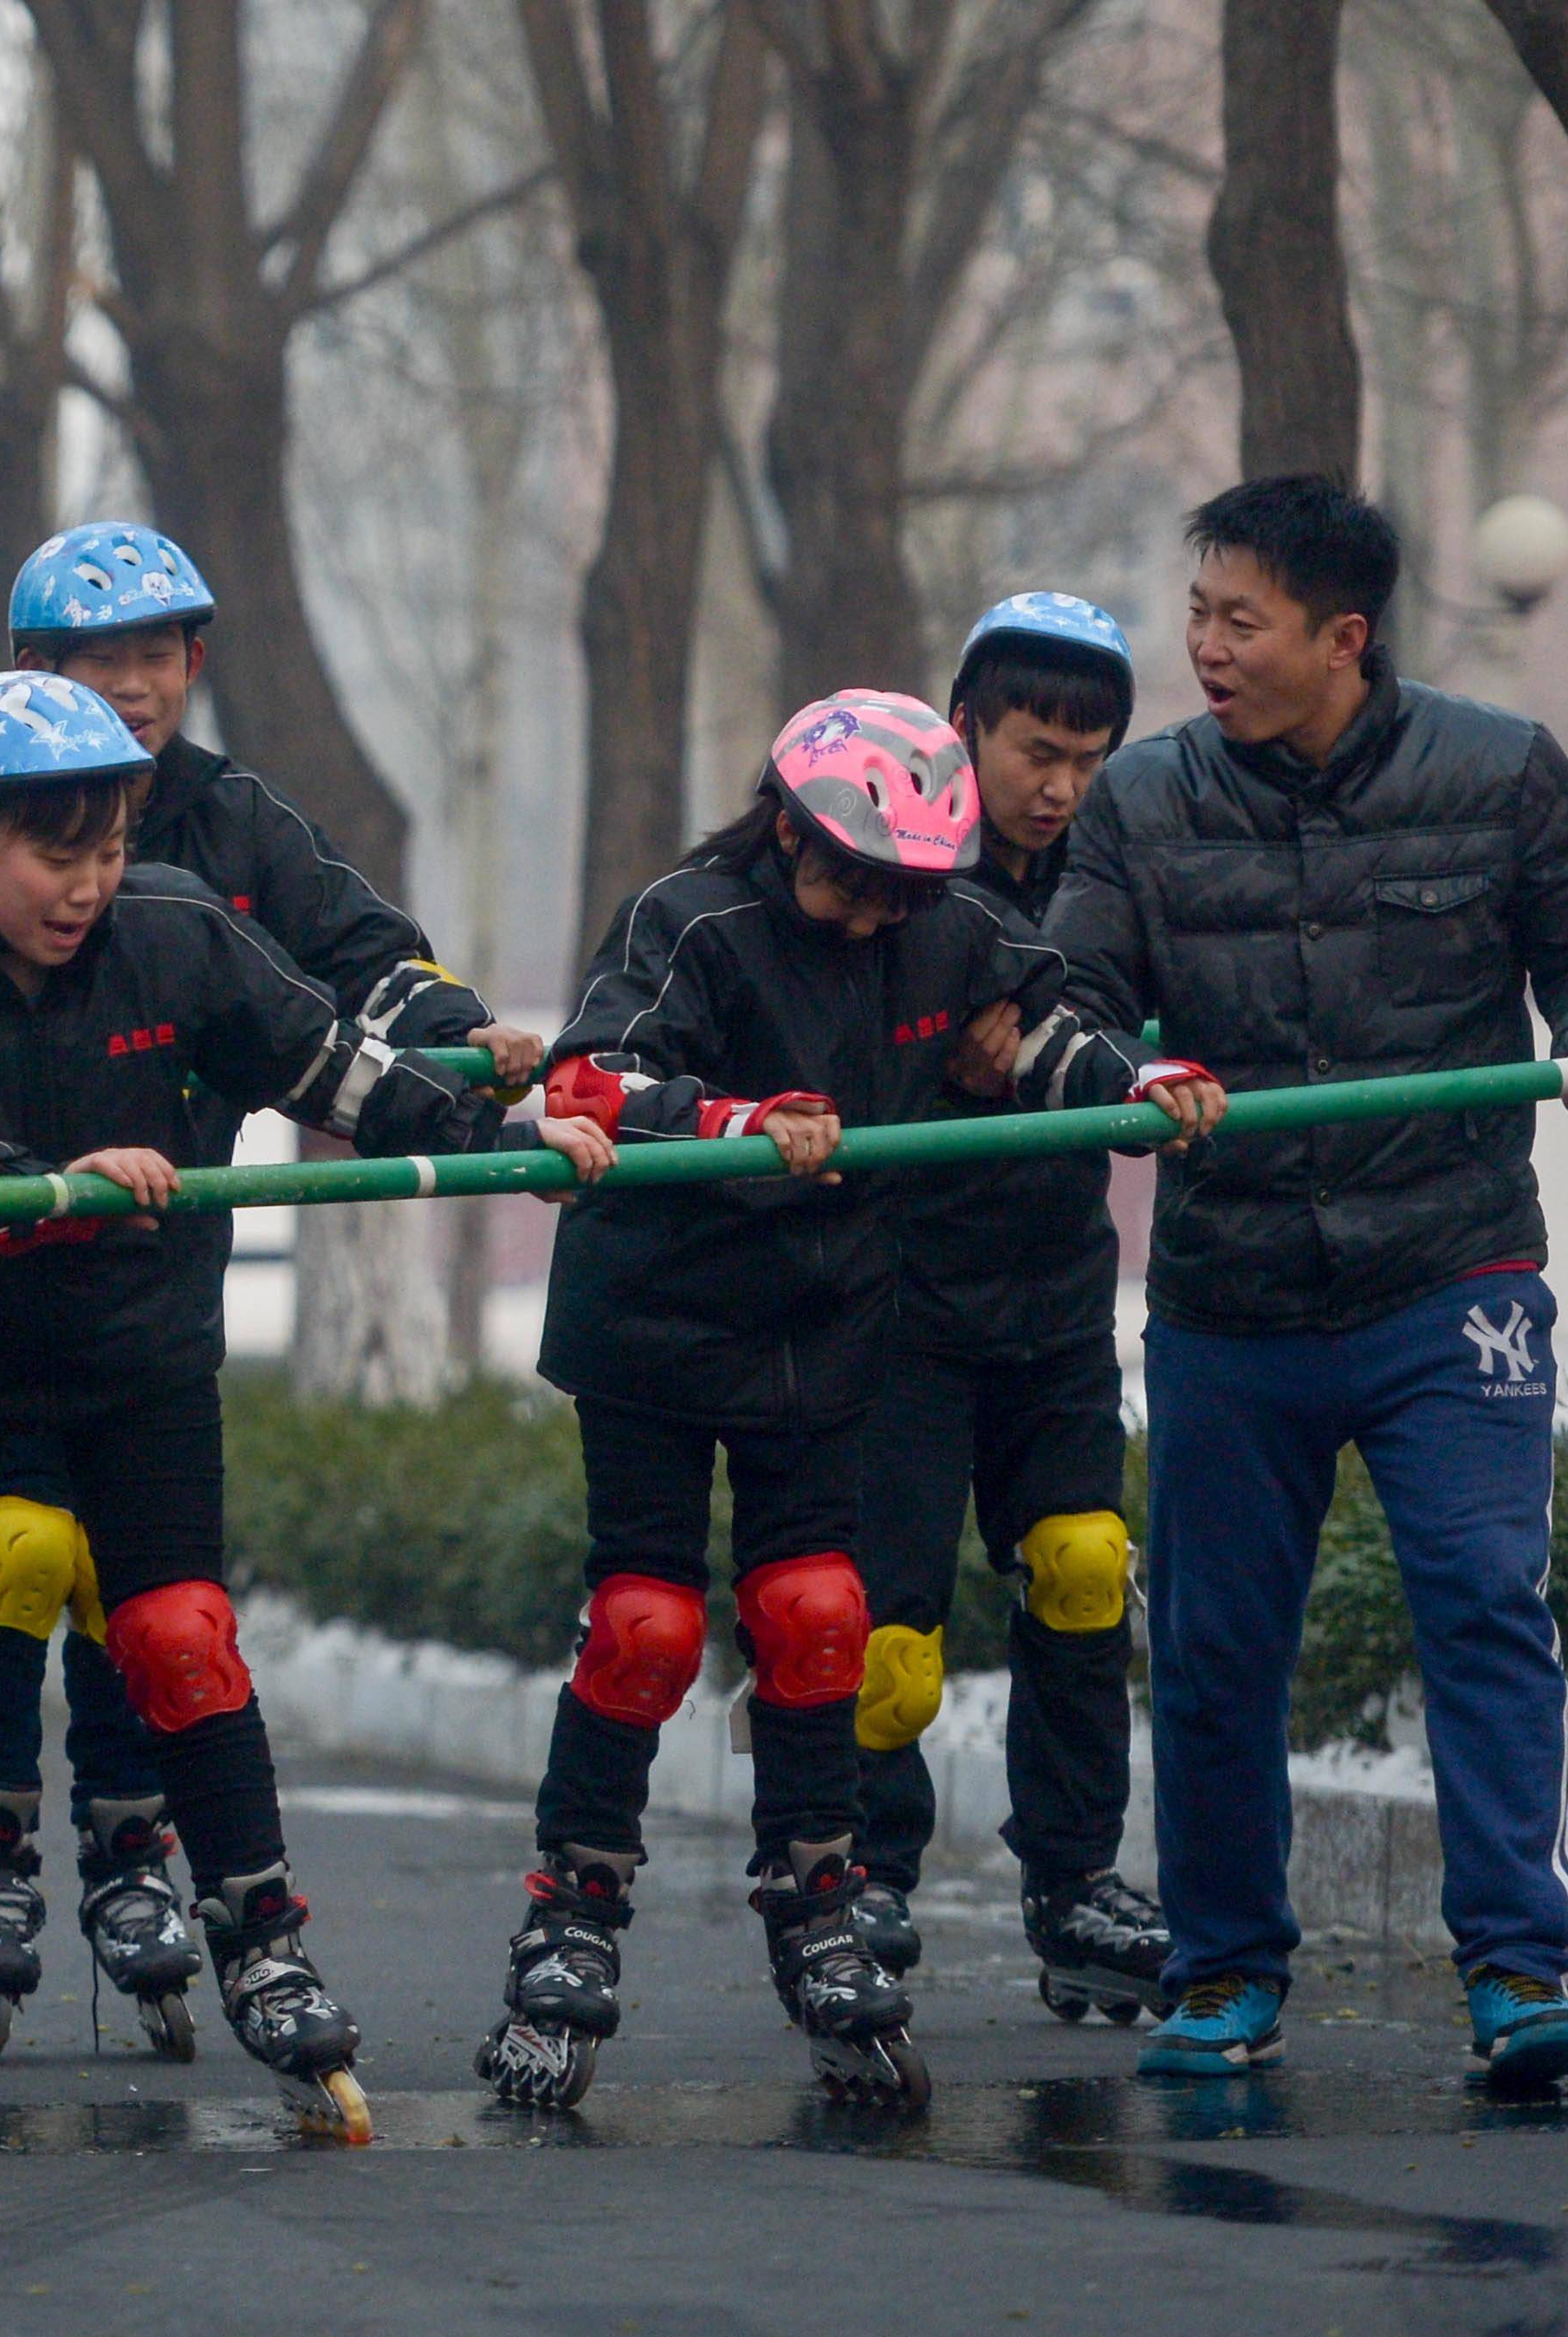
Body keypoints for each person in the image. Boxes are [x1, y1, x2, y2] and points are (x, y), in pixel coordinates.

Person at [0, 670, 619, 2145]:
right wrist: (47, 1181)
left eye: (106, 849)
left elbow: (330, 1068)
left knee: (174, 1633)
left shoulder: (169, 925)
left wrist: (511, 1132)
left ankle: (264, 1935)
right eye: (55, 854)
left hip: (130, 1350)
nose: (87, 888)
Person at [486, 689, 1209, 2115]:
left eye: (900, 894)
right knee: (645, 1624)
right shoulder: (693, 919)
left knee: (820, 1612)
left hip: (822, 1317)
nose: (872, 918)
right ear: (781, 826)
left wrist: (1143, 1076)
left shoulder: (939, 927)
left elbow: (1046, 1016)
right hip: (653, 1314)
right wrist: (734, 1121)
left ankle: (821, 1892)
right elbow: (588, 1073)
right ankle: (571, 1908)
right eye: (846, 882)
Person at [1044, 476, 1568, 2094]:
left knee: (1479, 1600)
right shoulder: (1141, 806)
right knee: (1209, 1640)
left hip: (1445, 1276)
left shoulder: (1498, 771)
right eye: (1195, 613)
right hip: (1227, 1298)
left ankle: (1522, 1966)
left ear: (1343, 635)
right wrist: (1126, 1068)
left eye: (1236, 620)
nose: (1202, 648)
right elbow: (1067, 996)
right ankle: (1224, 1973)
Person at [0, 522, 554, 2065]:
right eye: (97, 660)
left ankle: (133, 1850)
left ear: (192, 666)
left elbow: (359, 959)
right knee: (2, 1558)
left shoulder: (229, 823)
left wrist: (454, 1034)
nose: (131, 689)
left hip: (151, 1277)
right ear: (30, 675)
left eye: (157, 656)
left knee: (150, 1592)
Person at [844, 592, 1175, 2025]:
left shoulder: (1120, 867)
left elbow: (1163, 1022)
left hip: (1048, 1293)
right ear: (963, 723)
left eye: (1089, 758)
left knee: (1086, 1567)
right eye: (1036, 750)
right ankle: (856, 1874)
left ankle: (1075, 1880)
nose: (1058, 788)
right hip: (892, 1301)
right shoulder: (879, 858)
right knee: (885, 1633)